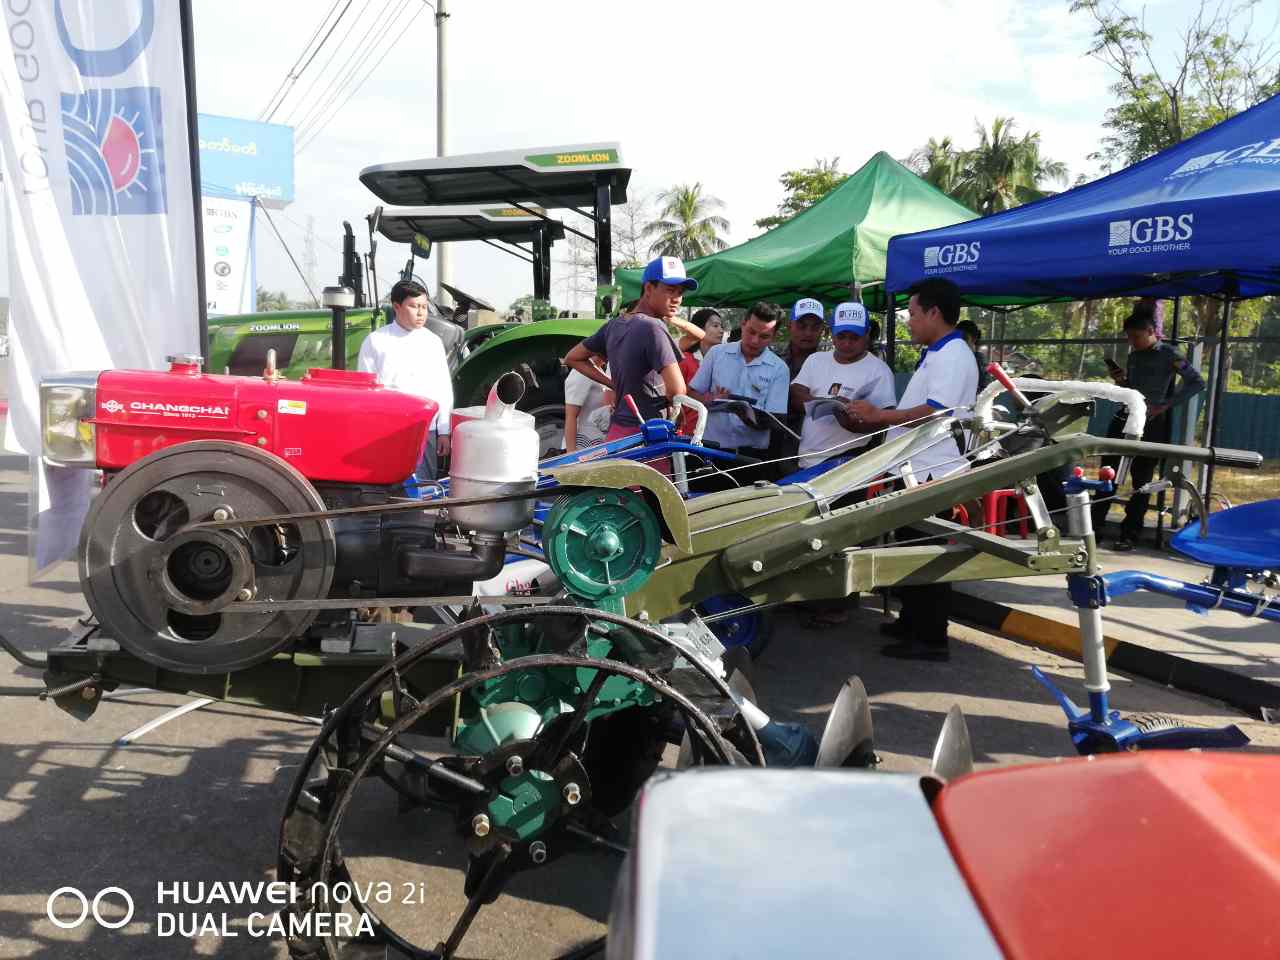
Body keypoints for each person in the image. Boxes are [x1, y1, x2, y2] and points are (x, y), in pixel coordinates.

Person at [847, 278, 977, 661]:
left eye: (914, 313)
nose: (909, 321)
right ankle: (912, 622)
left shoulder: (954, 355)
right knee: (910, 548)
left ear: (934, 313)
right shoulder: (938, 352)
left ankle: (931, 637)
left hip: (935, 471)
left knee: (927, 554)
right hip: (915, 469)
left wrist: (879, 416)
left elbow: (935, 411)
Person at [1092, 303, 1204, 550]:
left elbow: (1197, 382)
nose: (1132, 342)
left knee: (1141, 481)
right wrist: (1121, 381)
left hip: (1151, 424)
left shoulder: (1170, 355)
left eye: (1136, 336)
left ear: (1152, 331)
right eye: (1129, 337)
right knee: (1107, 474)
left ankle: (1129, 534)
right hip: (1125, 418)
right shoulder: (1134, 356)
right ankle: (1093, 528)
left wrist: (1165, 405)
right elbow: (1132, 389)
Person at [563, 256, 690, 444]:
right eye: (670, 290)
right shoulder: (653, 327)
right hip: (647, 436)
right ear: (649, 288)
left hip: (618, 435)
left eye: (680, 292)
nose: (677, 299)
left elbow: (573, 357)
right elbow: (678, 389)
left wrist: (613, 383)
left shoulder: (614, 325)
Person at [357, 278, 453, 481]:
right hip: (387, 430)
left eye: (424, 307)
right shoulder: (376, 341)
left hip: (425, 429)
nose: (421, 313)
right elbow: (365, 391)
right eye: (414, 306)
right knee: (389, 483)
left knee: (423, 485)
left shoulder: (433, 343)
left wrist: (444, 431)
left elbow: (443, 388)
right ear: (397, 307)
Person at [688, 302, 790, 480]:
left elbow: (776, 420)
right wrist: (710, 399)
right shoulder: (716, 354)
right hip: (711, 450)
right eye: (751, 332)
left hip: (751, 457)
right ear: (743, 324)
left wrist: (748, 417)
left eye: (764, 336)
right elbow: (692, 393)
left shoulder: (779, 368)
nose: (755, 340)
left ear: (773, 336)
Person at [792, 303, 896, 469]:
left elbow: (885, 419)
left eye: (854, 337)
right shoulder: (816, 360)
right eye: (841, 336)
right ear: (832, 334)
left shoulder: (879, 371)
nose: (847, 343)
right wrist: (825, 403)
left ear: (867, 334)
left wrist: (855, 424)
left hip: (848, 463)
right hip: (806, 460)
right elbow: (796, 393)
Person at [677, 309, 725, 434]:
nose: (721, 330)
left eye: (721, 326)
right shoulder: (684, 360)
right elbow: (676, 397)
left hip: (717, 432)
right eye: (715, 326)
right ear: (699, 329)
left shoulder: (723, 361)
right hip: (689, 432)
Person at [563, 354, 612, 452]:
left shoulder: (598, 370)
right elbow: (571, 416)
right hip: (582, 444)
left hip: (596, 441)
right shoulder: (581, 372)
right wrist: (571, 453)